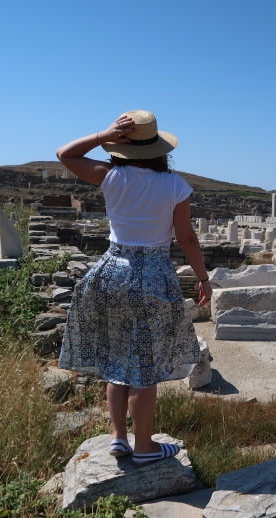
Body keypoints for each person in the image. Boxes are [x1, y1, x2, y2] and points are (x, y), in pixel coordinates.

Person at [56, 110, 212, 464]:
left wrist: (103, 135)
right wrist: (202, 278)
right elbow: (186, 238)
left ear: (121, 146)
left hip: (111, 271)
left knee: (116, 360)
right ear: (160, 149)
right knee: (144, 366)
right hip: (152, 275)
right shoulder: (174, 185)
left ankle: (118, 438)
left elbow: (64, 154)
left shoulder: (110, 176)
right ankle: (144, 447)